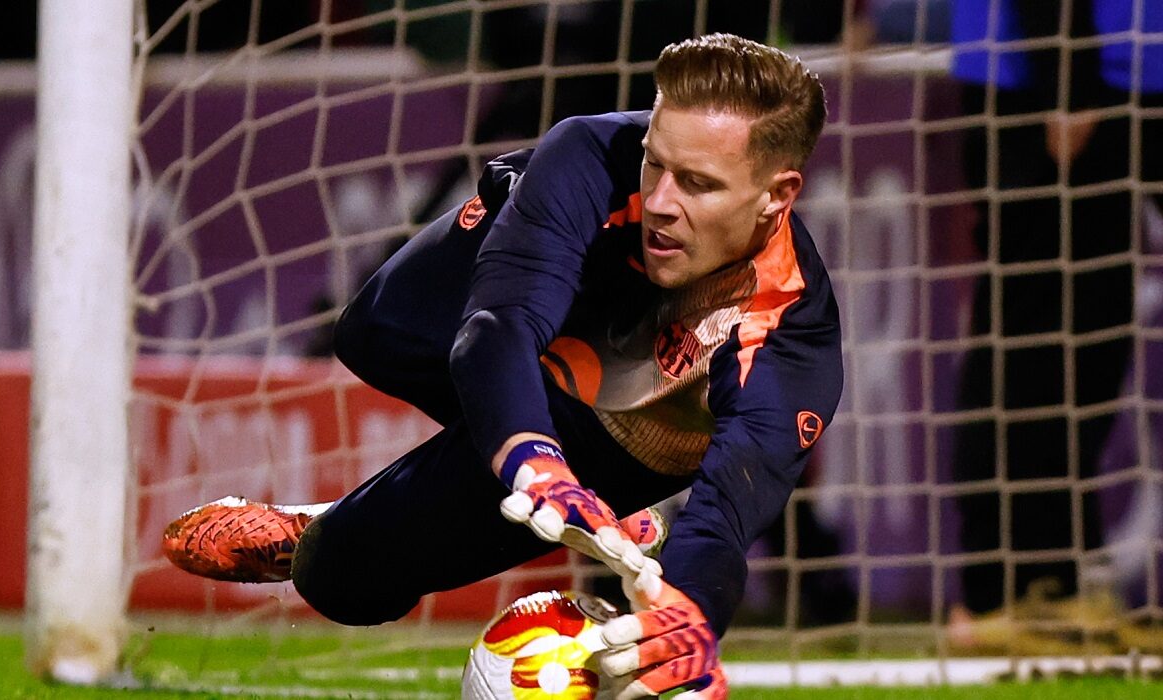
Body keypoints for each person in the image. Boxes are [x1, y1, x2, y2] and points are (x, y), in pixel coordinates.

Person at [163, 33, 842, 698]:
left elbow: (728, 512)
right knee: (376, 330)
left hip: (615, 433)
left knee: (339, 577)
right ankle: (565, 485)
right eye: (654, 162)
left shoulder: (792, 339)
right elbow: (499, 326)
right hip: (533, 341)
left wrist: (688, 615)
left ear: (776, 197)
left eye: (697, 183)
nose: (661, 201)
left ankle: (325, 528)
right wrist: (534, 462)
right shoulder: (588, 155)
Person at [948, 0, 1162, 634]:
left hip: (1119, 78)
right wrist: (1066, 80)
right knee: (1038, 330)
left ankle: (1055, 577)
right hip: (1059, 80)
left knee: (1089, 342)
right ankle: (1000, 589)